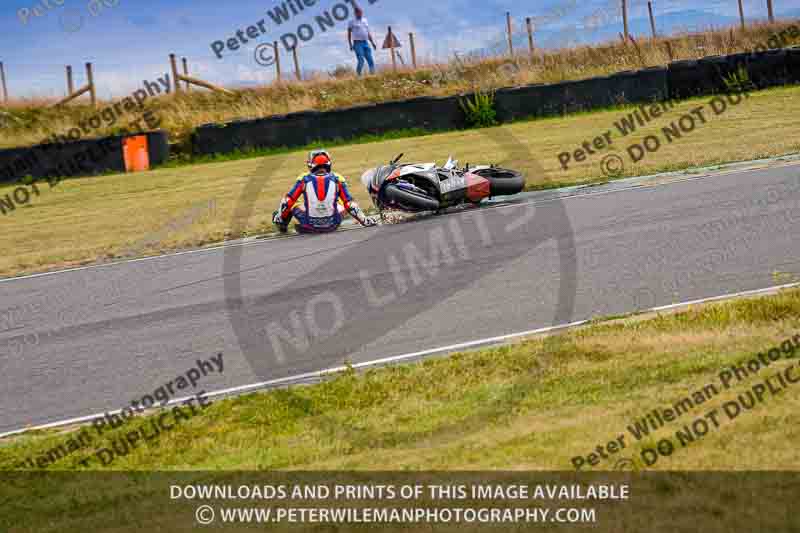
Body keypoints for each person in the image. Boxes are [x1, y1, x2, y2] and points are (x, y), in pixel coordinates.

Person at [272, 149, 377, 233]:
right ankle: (329, 219)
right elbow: (349, 204)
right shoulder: (338, 178)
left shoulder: (303, 179)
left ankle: (282, 225)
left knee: (293, 203)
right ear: (329, 164)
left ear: (310, 165)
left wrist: (279, 216)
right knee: (343, 202)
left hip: (309, 224)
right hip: (333, 225)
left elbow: (288, 201)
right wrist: (364, 220)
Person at [347, 7, 377, 76]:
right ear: (355, 13)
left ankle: (372, 75)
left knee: (370, 60)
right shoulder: (351, 22)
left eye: (361, 13)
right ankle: (358, 76)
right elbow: (349, 33)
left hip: (366, 42)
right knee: (361, 60)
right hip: (357, 43)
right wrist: (350, 44)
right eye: (359, 13)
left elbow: (368, 32)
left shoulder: (365, 20)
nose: (361, 14)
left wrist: (372, 43)